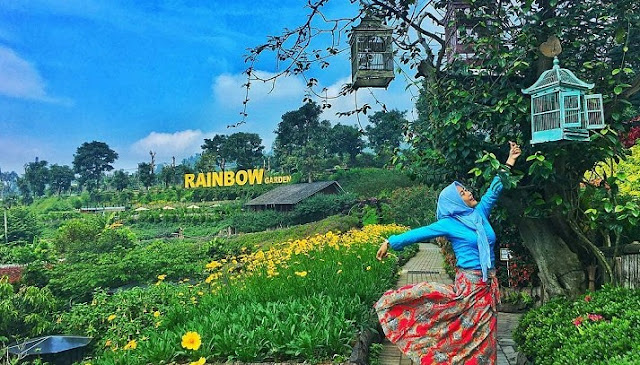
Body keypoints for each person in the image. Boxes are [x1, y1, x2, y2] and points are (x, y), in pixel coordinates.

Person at [374, 142, 522, 365]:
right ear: (454, 202)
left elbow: (494, 189)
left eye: (466, 190)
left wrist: (510, 160)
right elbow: (420, 233)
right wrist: (390, 242)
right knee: (461, 333)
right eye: (463, 193)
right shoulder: (449, 223)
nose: (469, 193)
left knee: (487, 339)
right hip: (468, 286)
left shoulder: (479, 214)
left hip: (487, 286)